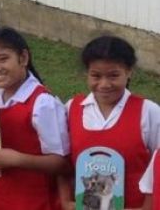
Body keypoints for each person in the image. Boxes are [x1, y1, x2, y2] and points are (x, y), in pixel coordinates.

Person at [0, 27, 69, 210]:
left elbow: (62, 163)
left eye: (3, 59)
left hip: (33, 201)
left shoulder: (43, 103)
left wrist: (18, 159)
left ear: (23, 58)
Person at [63, 35, 160, 210]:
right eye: (96, 76)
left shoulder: (148, 112)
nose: (104, 84)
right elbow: (62, 162)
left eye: (113, 75)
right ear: (87, 73)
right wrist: (66, 201)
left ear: (129, 71)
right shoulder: (72, 109)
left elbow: (158, 169)